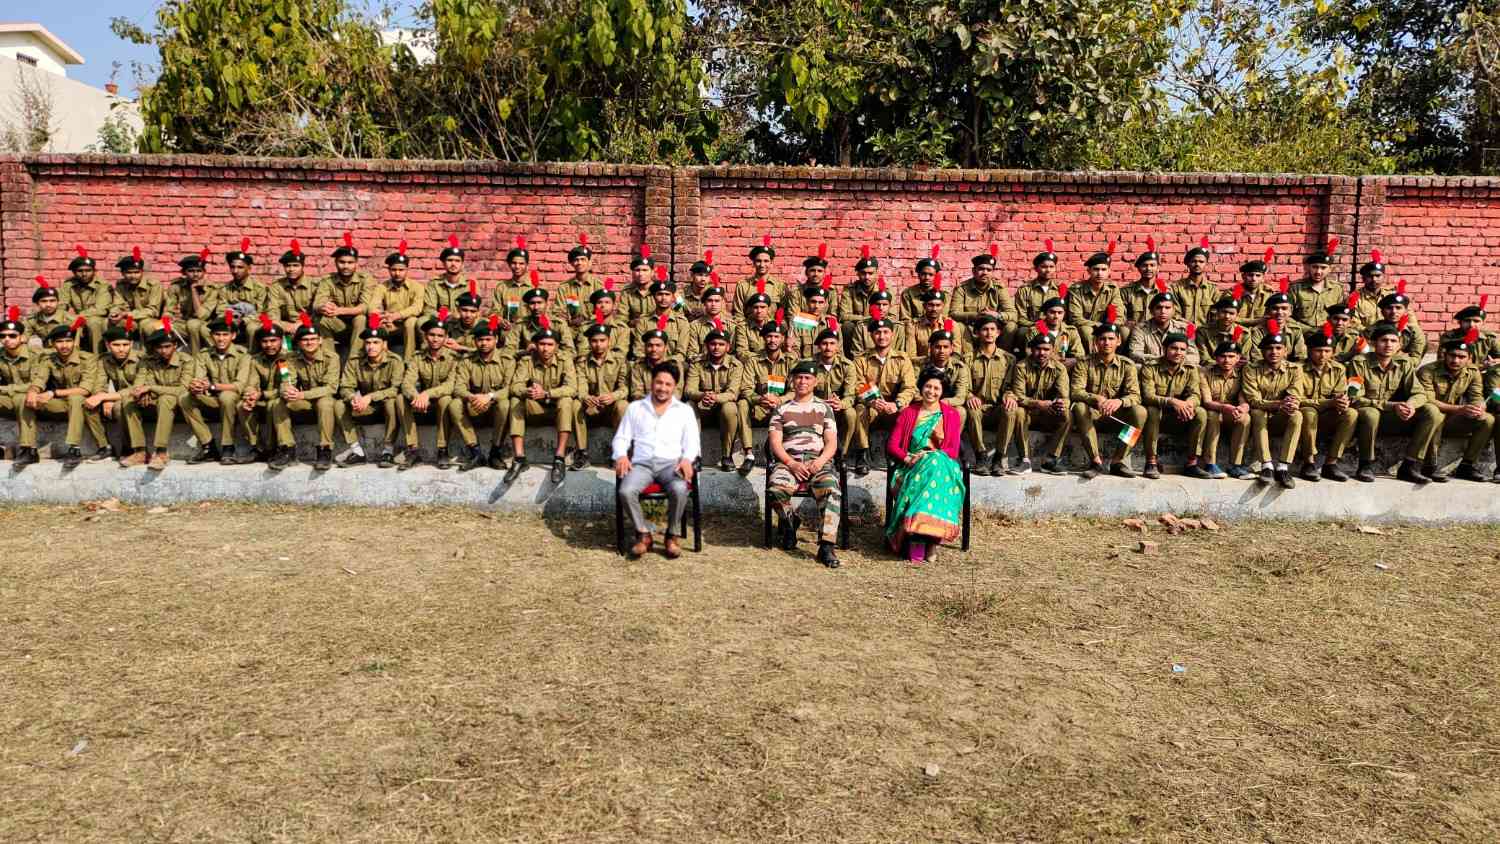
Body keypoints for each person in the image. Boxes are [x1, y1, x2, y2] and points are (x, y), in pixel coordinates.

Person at [613, 361, 700, 559]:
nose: (662, 388)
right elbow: (621, 438)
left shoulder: (684, 410)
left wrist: (687, 459)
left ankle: (671, 536)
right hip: (642, 465)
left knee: (679, 489)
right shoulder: (636, 408)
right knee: (626, 491)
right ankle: (644, 534)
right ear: (652, 383)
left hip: (671, 464)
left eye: (668, 384)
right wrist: (621, 455)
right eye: (659, 382)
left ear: (675, 386)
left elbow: (692, 442)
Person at [885, 367, 965, 564]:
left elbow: (953, 450)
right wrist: (908, 458)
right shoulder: (908, 413)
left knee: (935, 462)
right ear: (921, 388)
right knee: (931, 469)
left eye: (936, 388)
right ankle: (922, 539)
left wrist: (929, 455)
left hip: (943, 466)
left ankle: (930, 540)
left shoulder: (952, 415)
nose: (931, 391)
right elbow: (892, 445)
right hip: (911, 467)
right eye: (928, 386)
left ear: (942, 391)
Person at [767, 361, 843, 568]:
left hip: (818, 462)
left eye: (807, 378)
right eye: (799, 377)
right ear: (792, 381)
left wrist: (819, 462)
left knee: (831, 489)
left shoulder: (825, 408)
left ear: (815, 382)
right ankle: (790, 523)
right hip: (789, 462)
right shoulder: (781, 409)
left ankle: (826, 546)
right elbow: (775, 442)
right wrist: (791, 463)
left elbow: (832, 442)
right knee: (775, 490)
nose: (802, 381)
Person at [1349, 321, 1437, 484]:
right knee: (1371, 413)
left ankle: (1410, 465)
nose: (1389, 345)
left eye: (1393, 341)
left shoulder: (1404, 363)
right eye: (1384, 340)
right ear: (1374, 343)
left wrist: (1410, 405)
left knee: (1431, 411)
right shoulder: (1359, 362)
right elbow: (1355, 398)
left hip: (1395, 417)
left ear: (1399, 345)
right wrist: (1392, 405)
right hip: (1368, 417)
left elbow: (1419, 393)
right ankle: (1366, 464)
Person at [127, 318, 214, 471]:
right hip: (156, 403)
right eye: (159, 347)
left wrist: (151, 388)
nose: (164, 351)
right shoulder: (147, 362)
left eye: (167, 346)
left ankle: (161, 452)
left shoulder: (186, 361)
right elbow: (138, 385)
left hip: (179, 404)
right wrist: (140, 393)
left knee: (166, 399)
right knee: (128, 402)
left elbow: (183, 389)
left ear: (175, 345)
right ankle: (139, 451)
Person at [24, 320, 108, 468]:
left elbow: (85, 389)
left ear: (74, 342)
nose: (64, 346)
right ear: (52, 344)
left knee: (76, 398)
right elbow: (39, 379)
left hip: (84, 403)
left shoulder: (87, 359)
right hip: (62, 403)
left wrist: (53, 392)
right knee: (26, 400)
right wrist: (33, 391)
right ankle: (28, 449)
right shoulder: (49, 359)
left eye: (68, 341)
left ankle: (74, 448)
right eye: (60, 342)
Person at [1069, 319, 1145, 479]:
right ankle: (1095, 461)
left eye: (1111, 339)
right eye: (1102, 339)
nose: (1107, 343)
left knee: (1140, 412)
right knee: (1079, 407)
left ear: (1119, 341)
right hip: (1092, 414)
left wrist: (1119, 401)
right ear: (1095, 342)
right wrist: (1096, 398)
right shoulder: (1084, 363)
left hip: (1116, 415)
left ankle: (1118, 461)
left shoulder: (1127, 365)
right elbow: (1075, 391)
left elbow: (1135, 396)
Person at [504, 317, 577, 484]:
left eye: (550, 344)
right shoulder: (527, 361)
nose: (545, 348)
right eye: (542, 344)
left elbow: (572, 388)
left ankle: (559, 458)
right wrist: (527, 391)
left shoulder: (565, 360)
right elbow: (515, 386)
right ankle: (519, 458)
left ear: (557, 346)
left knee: (566, 401)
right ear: (535, 345)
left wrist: (547, 393)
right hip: (535, 407)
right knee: (515, 400)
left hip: (557, 409)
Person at [1415, 330, 1491, 482]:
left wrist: (1478, 407)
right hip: (1425, 418)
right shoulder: (1427, 371)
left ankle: (1467, 466)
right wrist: (1460, 409)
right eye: (1452, 356)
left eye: (1461, 357)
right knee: (1435, 414)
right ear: (1444, 355)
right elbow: (1427, 400)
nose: (1455, 360)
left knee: (1487, 419)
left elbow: (1476, 396)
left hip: (1453, 418)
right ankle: (1430, 466)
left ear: (1469, 358)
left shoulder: (1473, 372)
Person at [849, 306, 916, 476]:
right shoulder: (861, 360)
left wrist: (897, 403)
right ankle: (862, 454)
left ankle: (901, 453)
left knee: (908, 411)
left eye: (886, 332)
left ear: (892, 335)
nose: (882, 336)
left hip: (893, 408)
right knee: (859, 409)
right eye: (877, 333)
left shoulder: (902, 359)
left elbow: (909, 387)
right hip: (872, 408)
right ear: (872, 336)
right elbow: (858, 385)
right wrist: (872, 401)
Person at [336, 313, 406, 469]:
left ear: (384, 344)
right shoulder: (355, 361)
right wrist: (353, 398)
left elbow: (395, 389)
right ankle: (356, 451)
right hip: (364, 407)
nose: (371, 346)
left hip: (386, 406)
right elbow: (345, 386)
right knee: (339, 405)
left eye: (376, 342)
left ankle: (387, 450)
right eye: (368, 342)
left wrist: (370, 397)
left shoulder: (395, 361)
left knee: (392, 402)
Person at [448, 315, 516, 472]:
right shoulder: (467, 361)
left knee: (506, 404)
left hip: (496, 407)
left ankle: (495, 452)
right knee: (454, 404)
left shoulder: (507, 360)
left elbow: (510, 388)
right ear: (474, 341)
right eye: (480, 340)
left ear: (496, 339)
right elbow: (458, 388)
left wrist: (489, 396)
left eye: (488, 339)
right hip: (475, 405)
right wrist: (472, 397)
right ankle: (476, 452)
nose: (484, 343)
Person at [279, 317, 345, 470]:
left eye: (313, 339)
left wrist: (302, 395)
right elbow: (286, 380)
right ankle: (287, 448)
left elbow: (331, 388)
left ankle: (325, 449)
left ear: (320, 340)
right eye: (305, 340)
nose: (309, 342)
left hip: (324, 400)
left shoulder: (332, 357)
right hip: (305, 401)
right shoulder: (289, 358)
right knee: (277, 403)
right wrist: (287, 390)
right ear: (299, 343)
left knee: (325, 402)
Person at [1139, 329, 1206, 479]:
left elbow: (1195, 395)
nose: (1178, 353)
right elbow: (1148, 396)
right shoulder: (1150, 367)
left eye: (1182, 349)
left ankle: (1192, 463)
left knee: (1201, 412)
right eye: (1174, 348)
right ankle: (1151, 462)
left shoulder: (1190, 369)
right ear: (1164, 349)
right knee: (1150, 410)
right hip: (1155, 418)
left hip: (1179, 417)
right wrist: (1172, 401)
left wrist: (1188, 404)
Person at [1242, 324, 1303, 488]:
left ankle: (1283, 467)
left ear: (1285, 351)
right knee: (1257, 412)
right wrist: (1279, 404)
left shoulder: (1295, 369)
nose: (1274, 352)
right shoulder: (1251, 369)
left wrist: (1290, 404)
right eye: (1269, 348)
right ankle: (1266, 466)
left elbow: (1295, 394)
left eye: (1278, 348)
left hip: (1280, 416)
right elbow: (1253, 400)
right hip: (1260, 415)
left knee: (1297, 415)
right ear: (1262, 352)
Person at [1005, 328, 1072, 475]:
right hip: (1029, 411)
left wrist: (1060, 403)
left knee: (1067, 414)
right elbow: (1018, 395)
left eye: (1046, 349)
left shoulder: (1059, 369)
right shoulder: (1021, 366)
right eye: (1038, 349)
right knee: (1018, 411)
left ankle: (1051, 459)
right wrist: (1038, 404)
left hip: (1048, 412)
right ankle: (1025, 460)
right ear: (1031, 349)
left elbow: (1064, 396)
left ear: (1052, 350)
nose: (1042, 353)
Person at [1297, 325, 1358, 482]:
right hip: (1306, 415)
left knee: (1351, 413)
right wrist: (1329, 402)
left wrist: (1342, 401)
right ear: (1309, 350)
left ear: (1332, 352)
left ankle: (1331, 463)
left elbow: (1339, 393)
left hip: (1328, 415)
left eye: (1327, 351)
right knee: (1308, 412)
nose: (1323, 355)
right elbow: (1298, 399)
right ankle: (1308, 463)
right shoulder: (1298, 369)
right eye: (1318, 350)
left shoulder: (1338, 369)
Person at [189, 311, 252, 465]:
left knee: (227, 396)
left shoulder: (243, 355)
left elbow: (239, 385)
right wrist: (197, 386)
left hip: (234, 399)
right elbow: (199, 377)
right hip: (212, 398)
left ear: (233, 336)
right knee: (184, 398)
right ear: (211, 336)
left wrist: (212, 386)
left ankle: (228, 447)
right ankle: (208, 445)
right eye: (217, 334)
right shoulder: (204, 355)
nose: (221, 339)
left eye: (225, 334)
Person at [685, 322, 748, 472]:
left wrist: (715, 397)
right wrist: (702, 395)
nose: (716, 348)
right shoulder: (697, 363)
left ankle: (727, 456)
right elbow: (689, 390)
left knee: (731, 407)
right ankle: (693, 455)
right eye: (713, 344)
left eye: (721, 344)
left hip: (722, 409)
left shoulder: (736, 365)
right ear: (707, 346)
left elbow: (733, 393)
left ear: (728, 347)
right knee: (688, 406)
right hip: (704, 408)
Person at [399, 317, 461, 469]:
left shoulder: (454, 358)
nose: (435, 339)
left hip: (441, 404)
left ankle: (442, 449)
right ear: (426, 336)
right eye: (432, 335)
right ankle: (413, 450)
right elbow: (407, 383)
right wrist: (417, 396)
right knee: (400, 398)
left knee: (446, 399)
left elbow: (450, 386)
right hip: (421, 404)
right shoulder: (417, 357)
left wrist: (427, 394)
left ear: (446, 338)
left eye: (440, 336)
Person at [573, 310, 629, 470]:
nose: (598, 345)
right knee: (575, 405)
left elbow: (625, 387)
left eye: (602, 340)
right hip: (592, 408)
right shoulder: (582, 362)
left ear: (609, 341)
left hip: (611, 409)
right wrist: (585, 397)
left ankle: (619, 453)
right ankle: (582, 453)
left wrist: (613, 396)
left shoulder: (619, 360)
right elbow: (580, 385)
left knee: (623, 405)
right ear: (589, 342)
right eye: (594, 341)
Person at [965, 315, 1018, 475]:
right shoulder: (968, 359)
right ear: (977, 333)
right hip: (978, 408)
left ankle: (999, 458)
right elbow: (964, 386)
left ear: (998, 333)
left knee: (1011, 409)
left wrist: (1009, 396)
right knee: (972, 409)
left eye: (992, 329)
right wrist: (969, 396)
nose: (989, 333)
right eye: (985, 329)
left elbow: (1012, 386)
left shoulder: (1009, 359)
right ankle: (981, 456)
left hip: (997, 408)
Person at [86, 321, 145, 463]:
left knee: (119, 406)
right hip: (118, 397)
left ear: (131, 344)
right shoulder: (104, 360)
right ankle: (104, 447)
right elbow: (99, 384)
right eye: (116, 345)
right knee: (88, 404)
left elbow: (137, 388)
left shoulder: (142, 359)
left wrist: (107, 397)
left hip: (141, 398)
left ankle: (129, 448)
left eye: (125, 344)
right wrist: (104, 398)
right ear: (108, 345)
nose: (121, 349)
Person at [1199, 334, 1251, 479]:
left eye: (1231, 356)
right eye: (1222, 356)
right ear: (1216, 358)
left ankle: (1235, 465)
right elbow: (1207, 401)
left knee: (1245, 418)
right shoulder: (1205, 373)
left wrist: (1243, 408)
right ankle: (1210, 463)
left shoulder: (1242, 374)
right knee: (1212, 415)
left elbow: (1243, 399)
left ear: (1238, 358)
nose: (1227, 360)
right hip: (1213, 412)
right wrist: (1225, 407)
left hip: (1230, 414)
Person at [809, 323, 859, 460]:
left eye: (832, 343)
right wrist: (819, 402)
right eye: (824, 344)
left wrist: (841, 404)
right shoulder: (809, 364)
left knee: (851, 414)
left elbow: (850, 395)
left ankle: (841, 454)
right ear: (819, 346)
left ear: (837, 346)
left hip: (838, 408)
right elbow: (801, 391)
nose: (828, 347)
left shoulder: (847, 366)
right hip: (815, 408)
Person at [315, 237, 376, 346]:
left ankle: (355, 356)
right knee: (322, 318)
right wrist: (323, 307)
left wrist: (340, 310)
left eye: (350, 262)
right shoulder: (327, 280)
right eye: (342, 262)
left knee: (360, 318)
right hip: (337, 325)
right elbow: (317, 304)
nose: (346, 266)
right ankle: (329, 355)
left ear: (356, 264)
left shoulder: (365, 279)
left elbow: (364, 307)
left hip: (359, 329)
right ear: (336, 262)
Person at [368, 245, 427, 356]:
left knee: (411, 322)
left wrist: (396, 315)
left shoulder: (417, 287)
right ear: (389, 270)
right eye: (394, 270)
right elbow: (372, 307)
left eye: (401, 270)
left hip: (407, 326)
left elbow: (417, 308)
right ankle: (381, 358)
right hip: (389, 323)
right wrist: (384, 317)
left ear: (407, 270)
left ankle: (408, 359)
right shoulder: (382, 287)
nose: (397, 273)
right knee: (375, 321)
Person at [0, 310, 41, 468]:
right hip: (10, 398)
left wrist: (6, 389)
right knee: (17, 398)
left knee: (21, 398)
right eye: (3, 336)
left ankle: (29, 450)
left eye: (12, 336)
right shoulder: (0, 355)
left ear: (22, 338)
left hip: (33, 399)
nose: (7, 339)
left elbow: (35, 383)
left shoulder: (35, 355)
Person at [950, 247, 1016, 341]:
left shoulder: (999, 289)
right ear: (974, 271)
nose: (985, 273)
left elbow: (1013, 314)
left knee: (1011, 326)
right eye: (981, 269)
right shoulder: (962, 289)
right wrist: (976, 315)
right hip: (971, 329)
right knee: (958, 326)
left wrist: (996, 315)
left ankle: (1001, 351)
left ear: (992, 272)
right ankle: (968, 351)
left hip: (992, 330)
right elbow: (954, 314)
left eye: (989, 270)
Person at [1067, 244, 1123, 349]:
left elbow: (1118, 315)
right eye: (1096, 269)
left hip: (1107, 327)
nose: (1099, 273)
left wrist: (1109, 327)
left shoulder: (1113, 289)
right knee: (1087, 331)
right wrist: (1099, 325)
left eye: (1103, 269)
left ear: (1109, 271)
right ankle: (1094, 358)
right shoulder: (1077, 290)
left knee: (1123, 331)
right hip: (1084, 328)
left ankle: (1114, 356)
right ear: (1089, 271)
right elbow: (1075, 318)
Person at [163, 250, 218, 356]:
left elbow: (201, 315)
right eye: (191, 271)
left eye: (199, 271)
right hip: (185, 323)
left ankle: (195, 357)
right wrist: (167, 320)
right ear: (183, 273)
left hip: (206, 324)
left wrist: (194, 291)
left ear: (204, 272)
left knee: (193, 324)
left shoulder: (212, 289)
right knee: (162, 328)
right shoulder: (176, 286)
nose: (195, 274)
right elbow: (169, 309)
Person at [1126, 289, 1200, 367]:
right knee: (1137, 366)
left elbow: (1194, 357)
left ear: (1173, 311)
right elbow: (1134, 354)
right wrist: (1163, 360)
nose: (1163, 311)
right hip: (1152, 369)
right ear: (1151, 311)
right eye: (1159, 307)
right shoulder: (1140, 329)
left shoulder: (1187, 328)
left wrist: (1172, 360)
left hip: (1178, 369)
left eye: (1167, 308)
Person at [271, 240, 330, 335]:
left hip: (309, 326)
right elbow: (273, 312)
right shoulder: (276, 287)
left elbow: (318, 311)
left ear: (303, 266)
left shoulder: (315, 285)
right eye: (287, 266)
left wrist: (301, 324)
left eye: (295, 265)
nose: (291, 269)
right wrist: (287, 326)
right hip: (285, 327)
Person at [61, 246, 111, 353]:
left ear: (94, 271)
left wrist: (78, 317)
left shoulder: (102, 285)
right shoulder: (68, 284)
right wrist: (65, 316)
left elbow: (101, 309)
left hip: (98, 318)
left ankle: (97, 356)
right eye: (80, 271)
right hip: (77, 318)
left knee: (93, 323)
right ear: (74, 272)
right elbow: (62, 305)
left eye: (88, 270)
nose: (84, 274)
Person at [108, 248, 164, 343]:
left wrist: (127, 314)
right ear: (122, 273)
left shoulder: (154, 285)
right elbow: (117, 305)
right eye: (129, 273)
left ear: (142, 272)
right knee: (106, 322)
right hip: (130, 320)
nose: (133, 276)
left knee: (145, 325)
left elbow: (153, 311)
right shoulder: (121, 285)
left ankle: (146, 352)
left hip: (149, 320)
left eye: (136, 272)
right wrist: (114, 314)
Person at [1289, 239, 1343, 332]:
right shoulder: (1296, 288)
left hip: (1327, 333)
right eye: (1315, 267)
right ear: (1308, 267)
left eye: (1323, 268)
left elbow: (1340, 315)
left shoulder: (1336, 289)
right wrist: (1306, 330)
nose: (1318, 272)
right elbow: (1287, 315)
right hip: (1302, 333)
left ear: (1330, 269)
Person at [424, 237, 476, 323]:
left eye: (457, 261)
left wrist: (460, 316)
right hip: (440, 321)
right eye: (450, 260)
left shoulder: (471, 284)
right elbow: (428, 310)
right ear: (443, 263)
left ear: (462, 264)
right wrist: (446, 316)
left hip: (463, 322)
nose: (453, 264)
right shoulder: (434, 283)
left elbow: (475, 308)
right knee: (421, 321)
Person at [733, 236, 786, 315]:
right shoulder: (743, 286)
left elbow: (785, 314)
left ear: (771, 263)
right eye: (758, 261)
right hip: (748, 323)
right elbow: (738, 314)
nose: (762, 265)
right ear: (754, 263)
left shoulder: (780, 286)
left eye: (766, 261)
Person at [1170, 238, 1217, 327]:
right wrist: (1188, 325)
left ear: (1206, 264)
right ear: (1188, 264)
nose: (1197, 264)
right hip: (1182, 330)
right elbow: (1173, 313)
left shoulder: (1213, 289)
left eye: (1201, 262)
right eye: (1194, 261)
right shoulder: (1177, 288)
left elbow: (1218, 313)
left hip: (1206, 332)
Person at [1121, 237, 1161, 326]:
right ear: (1139, 268)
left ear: (1158, 268)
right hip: (1134, 330)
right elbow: (1120, 316)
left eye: (1152, 265)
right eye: (1144, 265)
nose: (1148, 269)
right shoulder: (1127, 291)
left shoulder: (1164, 291)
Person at [1351, 251, 1394, 330]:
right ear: (1363, 279)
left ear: (1384, 277)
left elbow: (1408, 318)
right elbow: (1353, 323)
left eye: (1378, 276)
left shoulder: (1391, 295)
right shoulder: (1355, 298)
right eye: (1370, 276)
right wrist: (1371, 333)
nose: (1374, 279)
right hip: (1365, 336)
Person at [898, 247, 943, 321]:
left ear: (936, 276)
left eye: (931, 275)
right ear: (918, 275)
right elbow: (905, 320)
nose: (927, 277)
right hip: (915, 327)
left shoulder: (944, 295)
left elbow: (944, 318)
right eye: (923, 274)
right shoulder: (908, 294)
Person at [1232, 251, 1274, 327]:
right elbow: (1227, 317)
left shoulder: (1269, 293)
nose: (1254, 279)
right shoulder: (1232, 293)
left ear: (1263, 278)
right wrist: (1255, 321)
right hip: (1239, 331)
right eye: (1250, 275)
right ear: (1243, 276)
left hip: (1261, 331)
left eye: (1258, 275)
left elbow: (1274, 315)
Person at [25, 276, 67, 349]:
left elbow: (75, 345)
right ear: (37, 303)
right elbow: (24, 337)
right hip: (40, 353)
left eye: (52, 301)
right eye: (44, 301)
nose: (48, 304)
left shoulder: (69, 319)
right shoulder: (32, 320)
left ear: (58, 302)